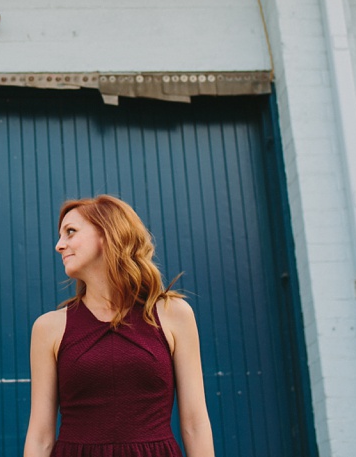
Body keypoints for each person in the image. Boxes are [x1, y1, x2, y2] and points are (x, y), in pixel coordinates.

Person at [23, 195, 215, 457]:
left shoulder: (173, 314)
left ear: (108, 234)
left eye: (70, 232)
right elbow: (40, 436)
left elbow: (195, 423)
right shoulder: (48, 328)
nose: (59, 245)